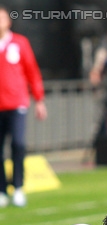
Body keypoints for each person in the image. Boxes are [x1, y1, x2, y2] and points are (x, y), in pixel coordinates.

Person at [0, 5, 47, 208]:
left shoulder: (20, 43)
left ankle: (18, 187)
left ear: (8, 21)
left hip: (17, 103)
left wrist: (39, 100)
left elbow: (32, 72)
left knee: (18, 144)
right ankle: (2, 190)